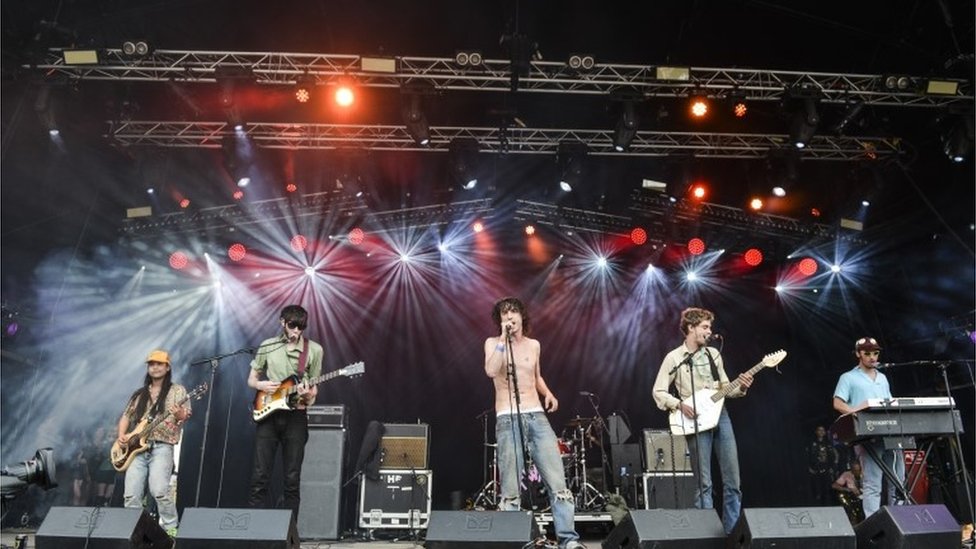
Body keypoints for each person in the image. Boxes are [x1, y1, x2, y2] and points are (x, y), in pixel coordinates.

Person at [484, 297, 584, 549]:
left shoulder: (534, 345)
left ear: (522, 316)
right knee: (510, 486)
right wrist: (502, 343)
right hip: (507, 417)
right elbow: (490, 370)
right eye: (504, 314)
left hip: (536, 415)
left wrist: (548, 393)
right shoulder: (493, 343)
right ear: (500, 320)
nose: (510, 317)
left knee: (557, 481)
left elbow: (536, 376)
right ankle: (511, 541)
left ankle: (568, 539)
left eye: (513, 312)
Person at [652, 307, 753, 534]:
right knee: (703, 483)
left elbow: (726, 388)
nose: (709, 331)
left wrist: (742, 386)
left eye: (710, 327)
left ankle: (732, 534)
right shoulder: (675, 358)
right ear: (691, 328)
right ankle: (707, 535)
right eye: (705, 327)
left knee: (733, 481)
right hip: (695, 420)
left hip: (721, 416)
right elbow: (658, 391)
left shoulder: (713, 355)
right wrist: (679, 405)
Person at [247, 304, 322, 520]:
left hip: (296, 416)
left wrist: (308, 395)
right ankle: (253, 532)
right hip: (268, 415)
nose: (297, 331)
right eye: (292, 326)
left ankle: (290, 534)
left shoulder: (314, 350)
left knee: (292, 477)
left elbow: (314, 387)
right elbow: (251, 379)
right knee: (260, 474)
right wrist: (261, 386)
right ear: (282, 322)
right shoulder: (268, 346)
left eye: (301, 327)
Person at [117, 350, 192, 537]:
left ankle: (171, 529)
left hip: (162, 446)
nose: (155, 367)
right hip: (136, 449)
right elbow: (126, 417)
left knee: (159, 490)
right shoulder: (140, 394)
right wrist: (122, 435)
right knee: (131, 495)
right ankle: (135, 532)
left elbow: (185, 416)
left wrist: (178, 414)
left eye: (159, 364)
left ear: (167, 367)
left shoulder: (178, 391)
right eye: (152, 364)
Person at [832, 336, 905, 518]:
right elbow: (837, 403)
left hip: (890, 433)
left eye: (875, 353)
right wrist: (856, 413)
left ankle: (901, 520)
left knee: (899, 481)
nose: (872, 357)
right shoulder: (848, 377)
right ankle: (874, 525)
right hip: (867, 435)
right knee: (873, 483)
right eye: (867, 353)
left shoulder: (883, 377)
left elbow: (888, 402)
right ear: (858, 354)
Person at [807, 425, 838, 505]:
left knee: (827, 487)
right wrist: (809, 467)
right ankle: (818, 504)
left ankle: (828, 503)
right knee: (817, 487)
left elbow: (834, 455)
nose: (821, 432)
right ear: (816, 432)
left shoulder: (828, 443)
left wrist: (833, 467)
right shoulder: (812, 443)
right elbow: (808, 455)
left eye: (823, 430)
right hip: (816, 468)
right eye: (819, 430)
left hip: (827, 467)